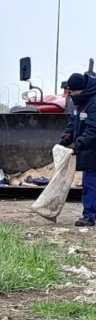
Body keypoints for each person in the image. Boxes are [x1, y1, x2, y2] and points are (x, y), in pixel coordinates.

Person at [59, 72, 96, 226]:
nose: (71, 94)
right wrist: (65, 139)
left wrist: (78, 144)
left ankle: (89, 216)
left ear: (82, 89)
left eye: (73, 91)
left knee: (90, 183)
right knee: (89, 182)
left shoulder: (93, 103)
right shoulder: (78, 101)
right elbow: (73, 122)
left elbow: (93, 129)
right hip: (89, 150)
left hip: (93, 150)